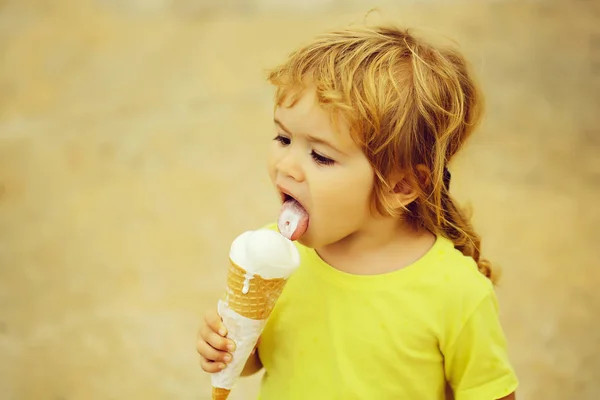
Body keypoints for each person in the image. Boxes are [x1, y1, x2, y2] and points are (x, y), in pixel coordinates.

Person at [197, 24, 519, 400]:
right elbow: (257, 358)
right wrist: (227, 345)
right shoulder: (275, 260)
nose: (287, 165)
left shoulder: (456, 294)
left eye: (320, 156)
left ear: (400, 186)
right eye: (283, 139)